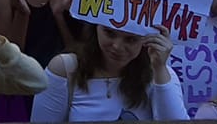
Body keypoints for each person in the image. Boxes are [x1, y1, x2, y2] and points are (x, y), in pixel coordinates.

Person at [30, 25, 185, 121]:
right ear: (95, 27)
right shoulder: (65, 68)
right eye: (109, 33)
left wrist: (160, 69)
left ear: (146, 40)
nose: (117, 46)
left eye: (130, 39)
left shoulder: (160, 74)